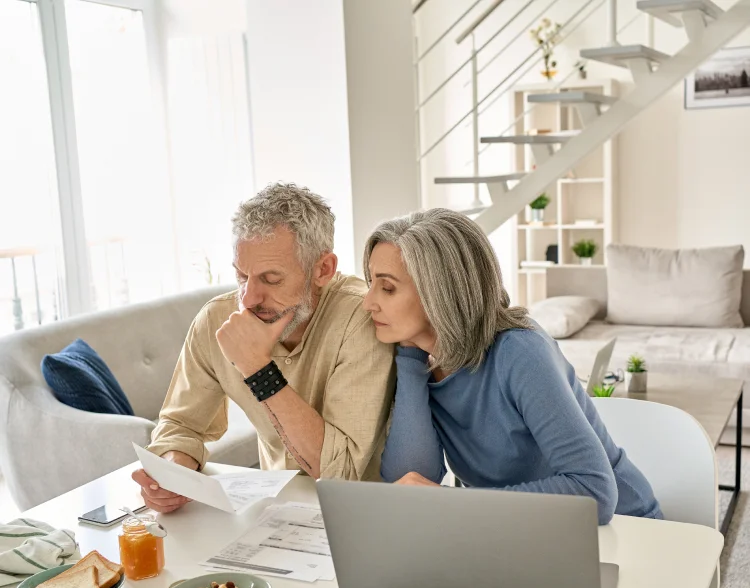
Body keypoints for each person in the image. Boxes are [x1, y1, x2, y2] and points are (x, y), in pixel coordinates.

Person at [362, 208, 662, 525]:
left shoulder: (519, 351)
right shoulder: (420, 359)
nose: (368, 302)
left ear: (440, 292)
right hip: (519, 532)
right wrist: (410, 360)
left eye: (388, 287)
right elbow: (409, 481)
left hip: (623, 530)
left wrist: (454, 501)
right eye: (371, 283)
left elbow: (595, 492)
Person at [132, 183, 396, 512]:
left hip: (363, 513)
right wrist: (173, 472)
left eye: (271, 279)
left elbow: (338, 472)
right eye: (242, 276)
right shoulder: (217, 319)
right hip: (274, 512)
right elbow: (181, 425)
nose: (249, 298)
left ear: (323, 269)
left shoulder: (362, 319)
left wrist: (259, 371)